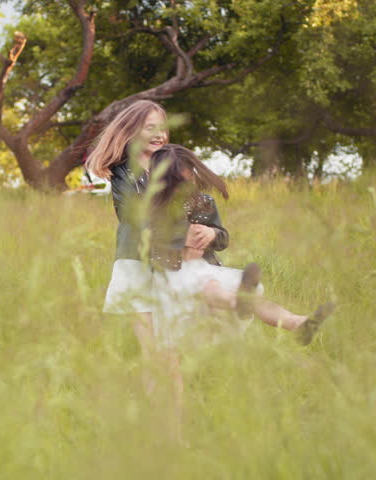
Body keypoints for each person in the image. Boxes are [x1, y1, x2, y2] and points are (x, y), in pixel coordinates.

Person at [147, 144, 336, 442]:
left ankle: (296, 323)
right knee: (211, 290)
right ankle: (238, 302)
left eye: (190, 178)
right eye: (179, 182)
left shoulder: (205, 203)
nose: (187, 186)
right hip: (173, 278)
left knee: (245, 295)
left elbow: (223, 237)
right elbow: (151, 249)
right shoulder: (153, 209)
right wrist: (182, 244)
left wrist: (212, 235)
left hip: (206, 270)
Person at [85, 100, 242, 396]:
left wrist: (207, 232)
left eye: (163, 128)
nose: (159, 134)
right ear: (131, 132)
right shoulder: (124, 172)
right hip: (137, 267)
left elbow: (196, 211)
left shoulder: (173, 165)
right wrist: (182, 232)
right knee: (156, 354)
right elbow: (135, 216)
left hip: (172, 267)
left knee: (170, 352)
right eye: (150, 128)